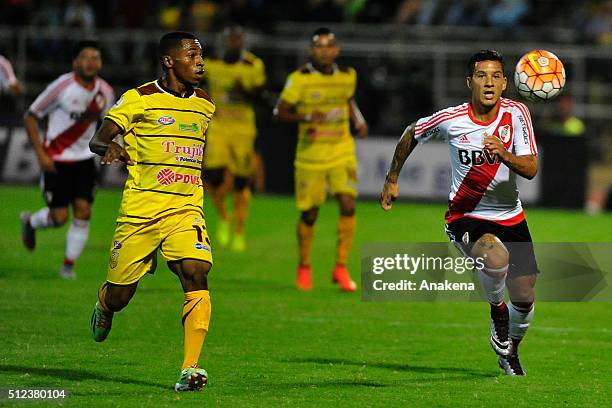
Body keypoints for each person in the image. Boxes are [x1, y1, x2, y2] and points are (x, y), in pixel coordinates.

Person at [380, 50, 538, 376]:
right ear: (470, 82)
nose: (489, 82)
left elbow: (531, 168)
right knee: (495, 257)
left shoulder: (517, 113)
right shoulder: (451, 119)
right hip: (466, 216)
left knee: (524, 295)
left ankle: (510, 351)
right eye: (482, 76)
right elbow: (412, 132)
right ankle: (497, 312)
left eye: (496, 76)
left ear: (506, 82)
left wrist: (504, 154)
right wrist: (392, 178)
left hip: (511, 215)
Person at [88, 31, 215, 392]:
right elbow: (98, 138)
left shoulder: (205, 104)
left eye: (201, 55)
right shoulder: (138, 99)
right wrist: (111, 147)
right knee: (120, 295)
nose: (200, 61)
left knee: (196, 273)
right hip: (140, 212)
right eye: (192, 55)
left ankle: (190, 368)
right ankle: (104, 306)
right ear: (169, 60)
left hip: (184, 208)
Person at [274, 27, 368, 292]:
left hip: (341, 149)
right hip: (311, 156)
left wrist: (358, 121)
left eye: (329, 46)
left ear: (336, 50)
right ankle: (304, 265)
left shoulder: (348, 75)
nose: (324, 51)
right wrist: (305, 118)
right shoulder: (299, 79)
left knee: (348, 204)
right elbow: (279, 112)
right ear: (311, 50)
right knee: (310, 213)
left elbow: (347, 100)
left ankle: (340, 267)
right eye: (319, 46)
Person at [20, 40, 114, 279]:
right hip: (56, 160)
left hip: (85, 160)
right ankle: (31, 222)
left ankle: (68, 266)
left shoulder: (105, 91)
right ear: (75, 62)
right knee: (59, 217)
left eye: (96, 58)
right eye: (86, 57)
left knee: (83, 210)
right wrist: (40, 154)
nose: (91, 62)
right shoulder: (61, 87)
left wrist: (114, 147)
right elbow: (31, 116)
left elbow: (111, 124)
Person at [203, 25, 266, 251]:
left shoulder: (253, 65)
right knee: (213, 175)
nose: (233, 43)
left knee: (241, 181)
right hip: (219, 125)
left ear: (243, 42)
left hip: (243, 129)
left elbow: (262, 98)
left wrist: (244, 92)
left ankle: (239, 228)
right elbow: (197, 85)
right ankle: (223, 217)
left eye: (237, 39)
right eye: (230, 39)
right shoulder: (210, 63)